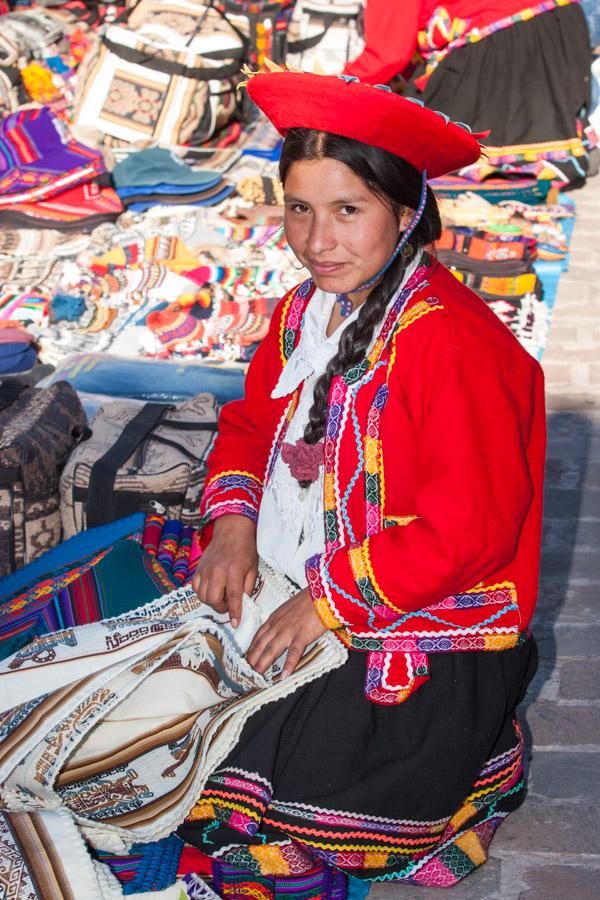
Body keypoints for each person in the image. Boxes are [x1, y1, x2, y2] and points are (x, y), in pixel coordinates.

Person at [177, 68, 545, 896]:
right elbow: (250, 427)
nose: (317, 240)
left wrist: (323, 602)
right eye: (299, 209)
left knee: (259, 798)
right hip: (314, 571)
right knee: (163, 703)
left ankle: (461, 748)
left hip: (416, 620)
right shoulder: (304, 312)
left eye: (349, 211)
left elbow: (469, 532)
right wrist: (233, 527)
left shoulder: (450, 345)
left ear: (406, 214)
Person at [344, 0, 592, 184]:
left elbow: (388, 55)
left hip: (504, 32)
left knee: (429, 144)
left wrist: (334, 85)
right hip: (562, 21)